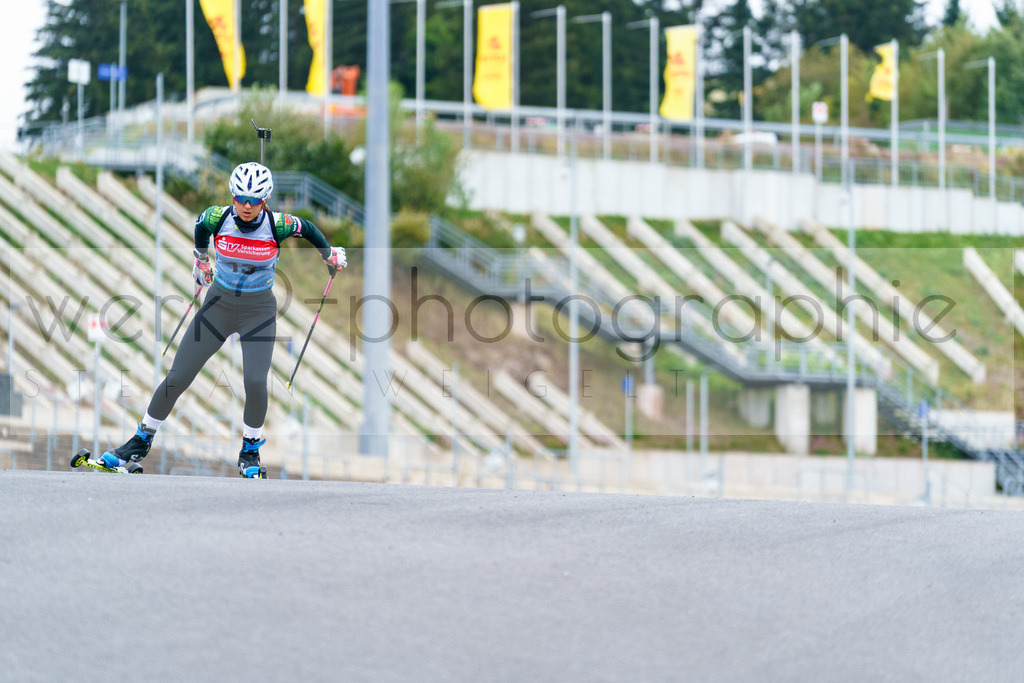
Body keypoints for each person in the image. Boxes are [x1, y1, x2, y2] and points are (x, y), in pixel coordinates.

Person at [99, 162, 346, 477]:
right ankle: (140, 440)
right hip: (218, 305)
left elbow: (308, 229)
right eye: (241, 198)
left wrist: (329, 254)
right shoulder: (217, 217)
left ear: (265, 200)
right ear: (233, 196)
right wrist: (201, 260)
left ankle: (250, 451)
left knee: (255, 381)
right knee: (178, 375)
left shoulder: (279, 224)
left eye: (254, 200)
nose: (246, 206)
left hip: (258, 310)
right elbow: (200, 228)